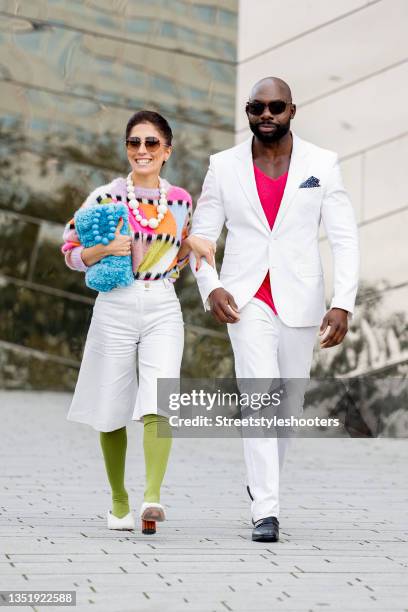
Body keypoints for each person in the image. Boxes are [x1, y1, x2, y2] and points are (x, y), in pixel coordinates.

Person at [189, 77, 359, 542]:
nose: (266, 114)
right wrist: (211, 285)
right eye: (257, 107)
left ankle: (263, 481)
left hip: (301, 299)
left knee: (288, 404)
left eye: (276, 106)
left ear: (292, 111)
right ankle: (266, 508)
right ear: (247, 112)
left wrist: (342, 302)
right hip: (244, 300)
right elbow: (203, 236)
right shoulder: (222, 167)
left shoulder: (322, 163)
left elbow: (344, 237)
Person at [61, 110, 213, 535]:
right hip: (115, 305)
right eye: (134, 143)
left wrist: (191, 243)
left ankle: (152, 497)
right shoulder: (105, 197)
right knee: (110, 407)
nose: (141, 150)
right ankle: (118, 500)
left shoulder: (181, 200)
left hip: (162, 303)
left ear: (167, 150)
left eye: (150, 143)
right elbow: (70, 251)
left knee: (159, 397)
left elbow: (175, 252)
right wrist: (104, 248)